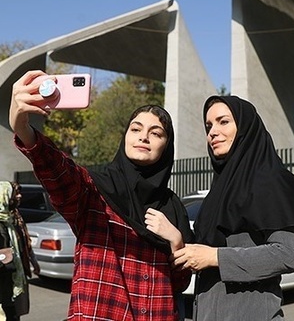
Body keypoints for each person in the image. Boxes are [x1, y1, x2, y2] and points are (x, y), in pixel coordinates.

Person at [9, 70, 194, 321]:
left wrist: (176, 242)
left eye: (156, 133)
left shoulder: (173, 209)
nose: (144, 136)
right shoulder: (94, 191)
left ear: (167, 146)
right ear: (125, 136)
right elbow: (59, 173)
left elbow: (180, 284)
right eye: (136, 129)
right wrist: (23, 130)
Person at [170, 95, 294, 320]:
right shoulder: (221, 189)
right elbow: (203, 253)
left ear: (245, 128)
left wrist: (215, 257)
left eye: (223, 122)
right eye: (208, 126)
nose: (213, 132)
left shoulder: (272, 180)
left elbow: (288, 254)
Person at [0, 180, 40, 321]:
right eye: (15, 193)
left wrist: (33, 261)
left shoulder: (14, 219)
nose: (19, 196)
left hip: (14, 278)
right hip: (4, 281)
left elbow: (24, 242)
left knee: (14, 313)